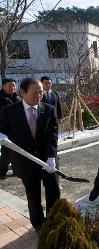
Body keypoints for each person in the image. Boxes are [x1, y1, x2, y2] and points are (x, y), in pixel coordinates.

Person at [0, 77, 59, 232]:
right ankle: (39, 224)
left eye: (41, 92)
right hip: (25, 162)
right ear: (22, 92)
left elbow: (52, 135)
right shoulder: (9, 111)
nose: (39, 96)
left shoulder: (48, 109)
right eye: (35, 93)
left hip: (48, 161)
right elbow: (2, 130)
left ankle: (53, 221)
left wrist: (52, 157)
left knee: (53, 191)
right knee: (33, 196)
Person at [0, 79, 21, 180]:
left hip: (17, 129)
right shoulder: (1, 98)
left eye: (14, 86)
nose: (12, 88)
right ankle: (1, 172)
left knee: (18, 152)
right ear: (3, 86)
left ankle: (17, 170)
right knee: (6, 154)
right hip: (5, 130)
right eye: (10, 86)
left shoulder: (17, 97)